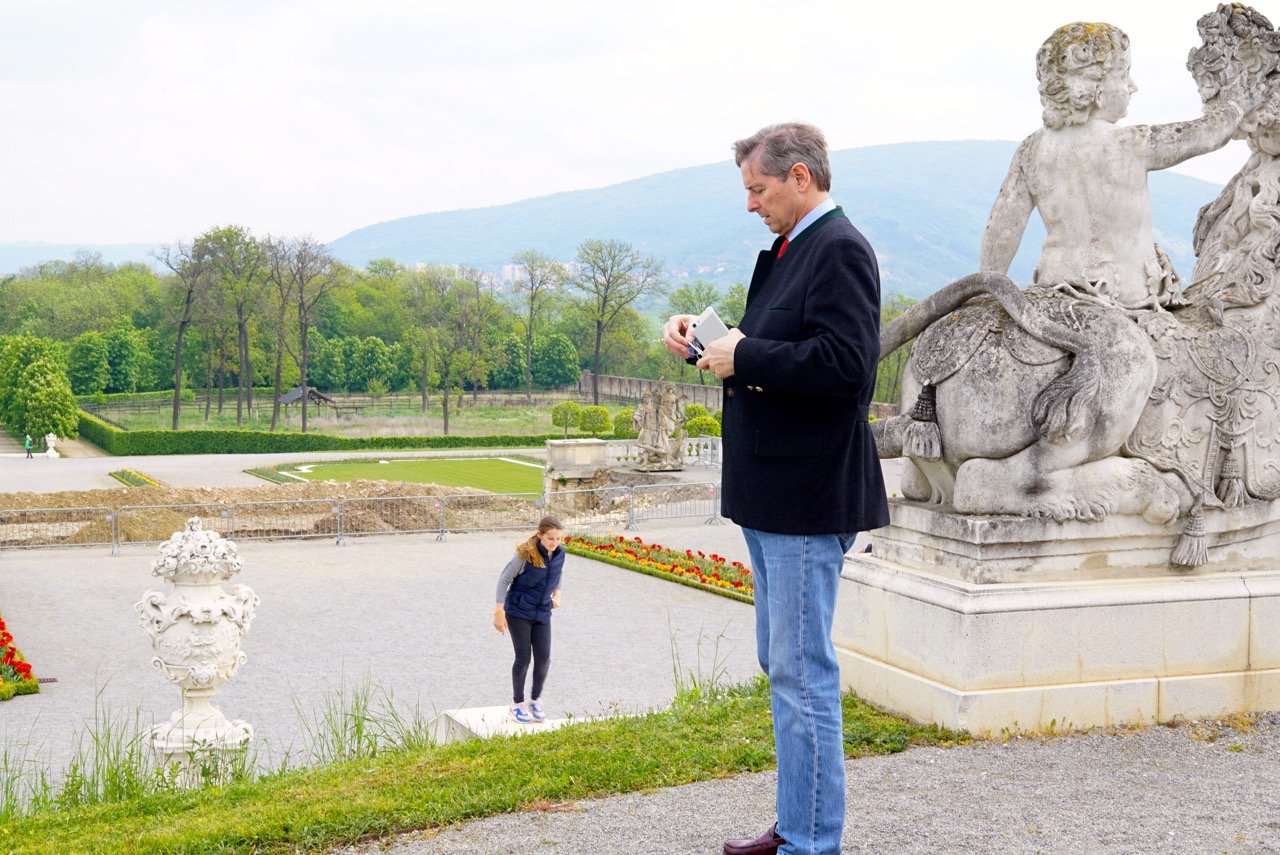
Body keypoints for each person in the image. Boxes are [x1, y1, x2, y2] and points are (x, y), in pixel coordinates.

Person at [663, 122, 888, 855]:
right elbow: (779, 347)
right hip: (774, 495)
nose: (751, 204)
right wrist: (708, 338)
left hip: (806, 496)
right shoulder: (795, 249)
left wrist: (747, 353)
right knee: (786, 671)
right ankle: (799, 827)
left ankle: (812, 842)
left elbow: (849, 366)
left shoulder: (841, 248)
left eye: (757, 189)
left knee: (803, 677)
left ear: (799, 176)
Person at [493, 515, 564, 724]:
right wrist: (498, 613)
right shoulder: (525, 554)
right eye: (551, 538)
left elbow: (558, 574)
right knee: (523, 659)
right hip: (518, 612)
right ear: (540, 535)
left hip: (542, 612)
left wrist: (557, 595)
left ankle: (535, 700)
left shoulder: (559, 554)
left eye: (558, 539)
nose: (555, 543)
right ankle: (517, 705)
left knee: (544, 658)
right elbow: (503, 580)